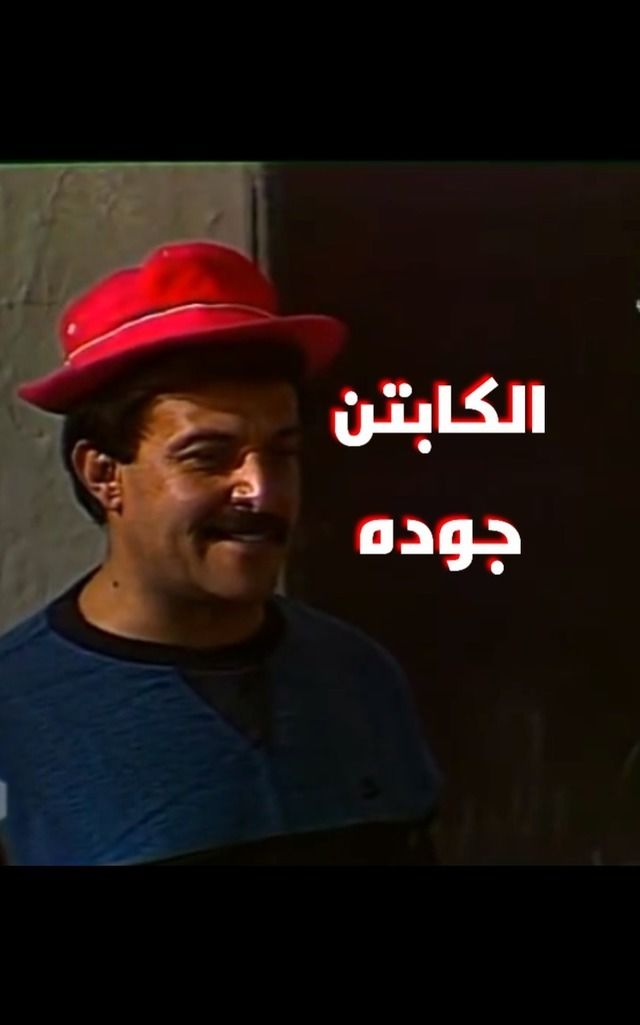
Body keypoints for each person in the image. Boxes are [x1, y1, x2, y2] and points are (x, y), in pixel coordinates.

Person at [0, 239, 442, 866]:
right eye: (208, 456)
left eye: (282, 453)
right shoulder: (16, 716)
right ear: (103, 475)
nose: (261, 491)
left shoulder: (358, 677)